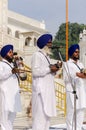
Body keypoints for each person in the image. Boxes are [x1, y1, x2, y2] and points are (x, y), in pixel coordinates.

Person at [31, 33, 61, 130]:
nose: (51, 44)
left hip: (48, 91)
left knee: (46, 119)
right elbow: (35, 71)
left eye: (51, 42)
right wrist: (49, 69)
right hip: (40, 92)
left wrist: (55, 69)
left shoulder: (47, 57)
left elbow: (48, 72)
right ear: (44, 44)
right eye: (49, 42)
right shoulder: (37, 55)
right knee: (40, 119)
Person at [63, 44, 86, 130]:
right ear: (72, 53)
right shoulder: (67, 64)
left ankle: (78, 128)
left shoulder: (81, 64)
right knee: (71, 112)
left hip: (81, 91)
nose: (77, 53)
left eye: (78, 52)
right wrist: (76, 74)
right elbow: (65, 78)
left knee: (80, 112)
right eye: (76, 52)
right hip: (72, 91)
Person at [0, 44, 21, 130]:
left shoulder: (12, 65)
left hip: (13, 95)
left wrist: (18, 64)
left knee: (11, 119)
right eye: (10, 52)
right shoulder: (1, 64)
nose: (12, 54)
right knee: (4, 119)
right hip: (5, 94)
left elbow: (22, 77)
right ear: (5, 54)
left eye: (12, 52)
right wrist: (11, 72)